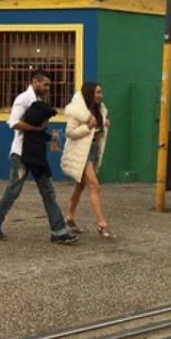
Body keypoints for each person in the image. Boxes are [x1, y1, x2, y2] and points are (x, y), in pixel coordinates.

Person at [0, 71, 78, 245]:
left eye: (49, 85)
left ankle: (58, 231)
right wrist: (36, 130)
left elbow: (39, 129)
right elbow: (13, 123)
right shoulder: (23, 99)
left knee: (48, 192)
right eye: (45, 84)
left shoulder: (40, 102)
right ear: (35, 82)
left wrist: (48, 137)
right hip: (21, 154)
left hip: (36, 154)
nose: (47, 88)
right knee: (13, 191)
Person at [61, 82, 114, 239]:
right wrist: (87, 128)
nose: (100, 95)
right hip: (81, 153)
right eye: (97, 92)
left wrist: (103, 125)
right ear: (90, 93)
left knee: (80, 186)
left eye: (101, 92)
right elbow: (69, 132)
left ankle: (69, 217)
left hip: (92, 152)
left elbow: (97, 130)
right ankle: (101, 223)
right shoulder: (78, 111)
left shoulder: (99, 109)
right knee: (94, 186)